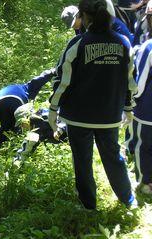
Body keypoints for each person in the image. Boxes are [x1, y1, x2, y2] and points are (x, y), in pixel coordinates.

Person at [48, 0, 138, 209]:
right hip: (109, 116)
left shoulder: (78, 44)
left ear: (84, 16)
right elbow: (130, 81)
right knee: (113, 157)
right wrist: (127, 107)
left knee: (82, 162)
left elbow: (62, 81)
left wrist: (53, 109)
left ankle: (88, 205)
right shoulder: (124, 43)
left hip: (78, 118)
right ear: (110, 15)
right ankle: (128, 201)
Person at [0, 68, 56, 147]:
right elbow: (38, 80)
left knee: (6, 126)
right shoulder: (27, 87)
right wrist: (52, 72)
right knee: (24, 123)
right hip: (15, 98)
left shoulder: (19, 88)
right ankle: (24, 146)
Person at [128, 13, 152, 195]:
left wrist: (131, 100)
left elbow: (140, 83)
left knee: (142, 146)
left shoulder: (148, 47)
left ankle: (145, 183)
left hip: (146, 110)